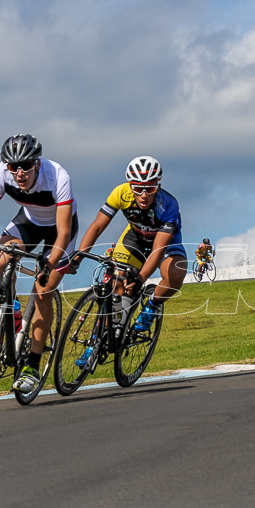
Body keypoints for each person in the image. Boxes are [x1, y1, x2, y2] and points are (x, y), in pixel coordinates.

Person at [0, 134, 79, 393]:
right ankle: (10, 313)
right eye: (14, 167)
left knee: (43, 290)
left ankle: (32, 367)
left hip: (59, 230)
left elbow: (64, 232)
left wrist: (50, 263)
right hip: (29, 222)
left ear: (36, 163)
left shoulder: (58, 176)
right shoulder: (1, 173)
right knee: (4, 256)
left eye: (25, 165)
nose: (19, 172)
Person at [71, 155, 187, 365]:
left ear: (158, 186)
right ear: (130, 185)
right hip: (134, 238)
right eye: (138, 188)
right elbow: (97, 227)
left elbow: (158, 250)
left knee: (176, 272)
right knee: (117, 282)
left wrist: (141, 279)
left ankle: (151, 306)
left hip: (163, 243)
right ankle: (99, 340)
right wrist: (79, 256)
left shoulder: (168, 205)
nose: (143, 195)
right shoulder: (120, 193)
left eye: (150, 189)